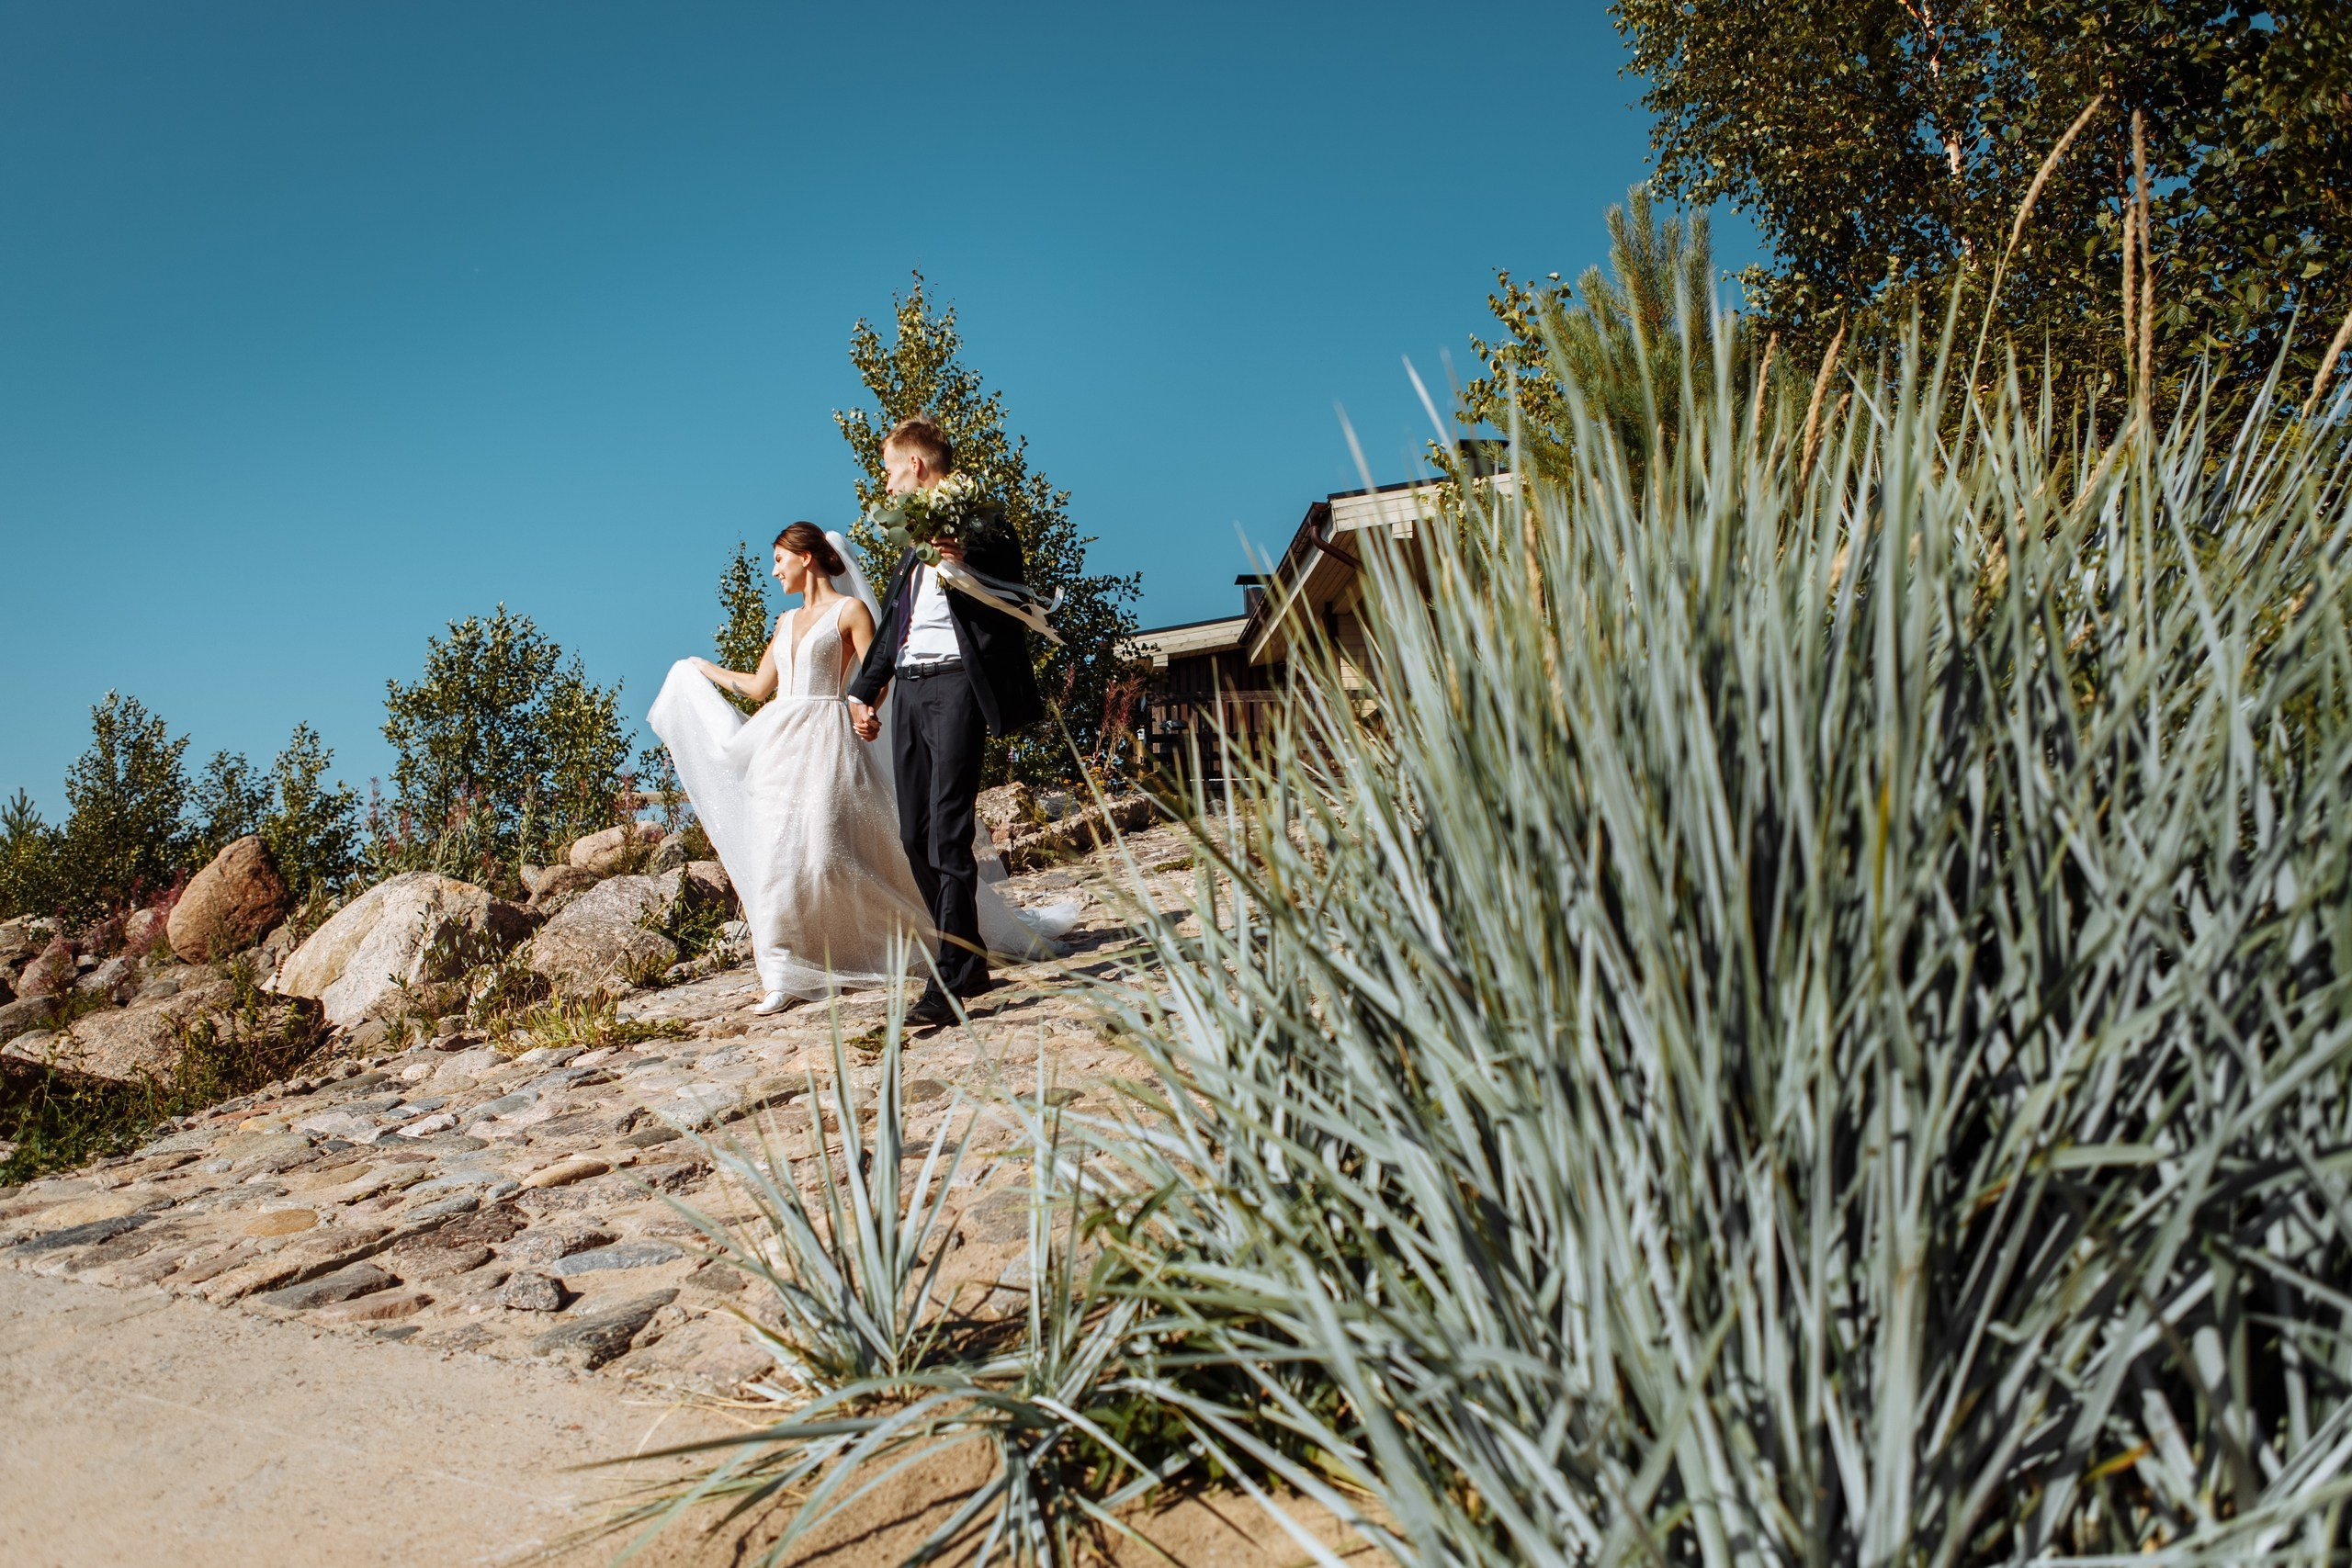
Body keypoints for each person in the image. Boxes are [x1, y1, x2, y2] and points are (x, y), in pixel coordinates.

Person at [650, 522, 1074, 1017]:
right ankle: (783, 972)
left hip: (828, 737)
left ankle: (913, 941)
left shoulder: (850, 611)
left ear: (805, 556)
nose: (775, 571)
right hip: (778, 743)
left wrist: (864, 707)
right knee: (774, 855)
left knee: (824, 853)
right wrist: (701, 670)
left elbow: (881, 668)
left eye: (780, 560)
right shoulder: (784, 622)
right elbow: (759, 687)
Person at [846, 417, 1046, 1026]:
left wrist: (966, 556)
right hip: (909, 691)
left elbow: (1012, 587)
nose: (885, 483)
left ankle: (950, 977)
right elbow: (892, 627)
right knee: (914, 836)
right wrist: (864, 692)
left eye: (888, 469)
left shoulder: (983, 527)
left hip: (958, 684)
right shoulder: (911, 549)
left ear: (916, 465)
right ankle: (969, 956)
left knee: (947, 833)